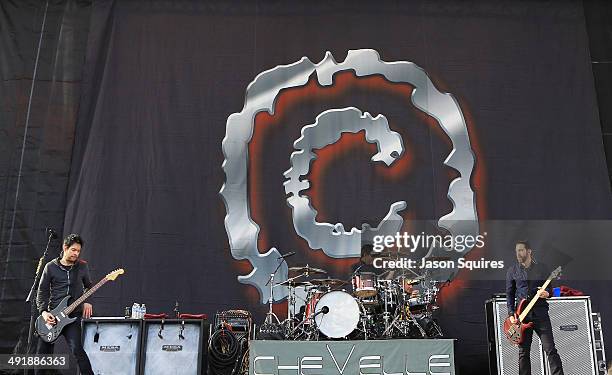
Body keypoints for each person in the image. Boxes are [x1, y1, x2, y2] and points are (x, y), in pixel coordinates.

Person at [35, 233, 94, 375]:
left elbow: (89, 286)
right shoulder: (50, 267)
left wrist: (87, 302)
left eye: (78, 251)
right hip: (52, 317)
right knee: (42, 356)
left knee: (77, 351)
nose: (76, 253)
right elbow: (41, 291)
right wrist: (44, 312)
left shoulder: (82, 267)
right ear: (65, 247)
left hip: (73, 316)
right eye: (73, 250)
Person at [506, 240, 564, 375]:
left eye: (521, 250)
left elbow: (549, 288)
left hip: (540, 314)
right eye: (516, 251)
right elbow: (510, 294)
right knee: (523, 352)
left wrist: (547, 293)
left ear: (529, 251)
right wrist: (511, 313)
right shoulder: (512, 271)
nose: (518, 253)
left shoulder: (542, 268)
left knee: (550, 349)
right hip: (523, 317)